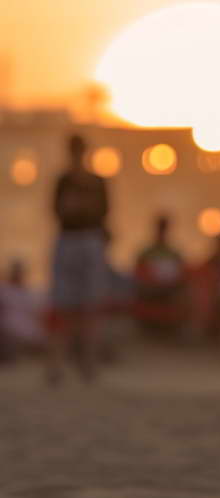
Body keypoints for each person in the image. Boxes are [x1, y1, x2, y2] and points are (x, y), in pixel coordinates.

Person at [48, 133, 110, 382]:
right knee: (65, 306)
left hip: (87, 240)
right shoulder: (64, 180)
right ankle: (58, 363)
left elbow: (102, 213)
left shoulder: (96, 181)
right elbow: (60, 211)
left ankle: (87, 365)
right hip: (71, 241)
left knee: (89, 306)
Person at [133, 213, 188, 332]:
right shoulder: (146, 252)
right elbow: (138, 274)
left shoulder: (174, 253)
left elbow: (181, 274)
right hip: (150, 288)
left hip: (170, 288)